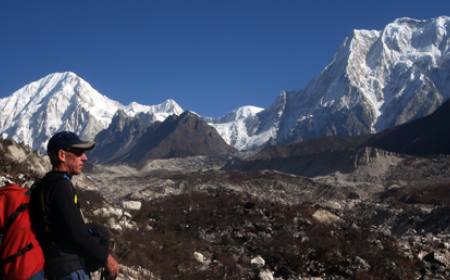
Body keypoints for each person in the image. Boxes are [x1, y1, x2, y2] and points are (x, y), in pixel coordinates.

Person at [30, 131, 119, 279]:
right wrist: (106, 258)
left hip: (52, 267)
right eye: (78, 152)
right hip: (68, 269)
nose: (84, 158)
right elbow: (77, 234)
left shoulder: (44, 185)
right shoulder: (61, 186)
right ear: (62, 155)